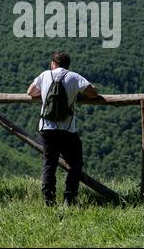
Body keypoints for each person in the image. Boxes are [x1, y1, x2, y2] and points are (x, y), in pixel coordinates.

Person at [27, 51, 99, 206]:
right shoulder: (74, 77)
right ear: (68, 64)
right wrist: (91, 89)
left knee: (49, 163)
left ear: (53, 63)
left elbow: (30, 92)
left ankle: (49, 199)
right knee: (76, 163)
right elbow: (92, 94)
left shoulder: (45, 75)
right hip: (67, 129)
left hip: (47, 128)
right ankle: (70, 197)